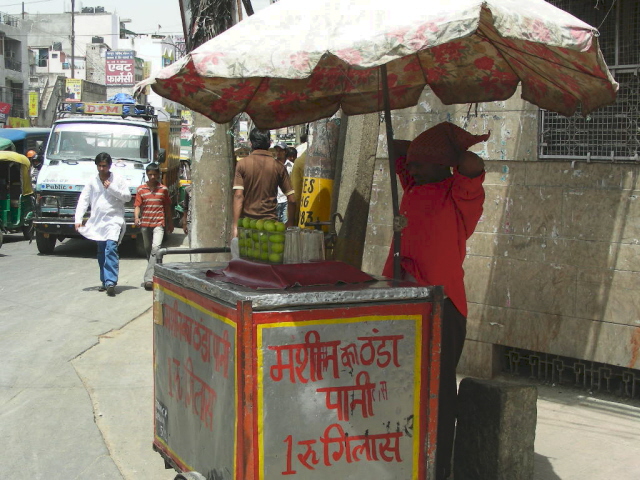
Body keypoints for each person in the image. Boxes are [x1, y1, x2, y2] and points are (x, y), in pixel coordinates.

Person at [382, 122, 490, 480]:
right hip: (403, 300)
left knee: (438, 390)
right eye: (410, 166)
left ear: (441, 165)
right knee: (401, 383)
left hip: (442, 304)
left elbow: (473, 164)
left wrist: (447, 150)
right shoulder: (414, 185)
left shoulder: (458, 194)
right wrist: (423, 152)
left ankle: (438, 467)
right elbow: (396, 146)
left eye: (418, 164)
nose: (409, 169)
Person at [75, 152, 132, 296]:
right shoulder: (92, 181)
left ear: (109, 166)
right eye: (99, 166)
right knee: (101, 252)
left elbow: (127, 197)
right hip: (98, 222)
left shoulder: (117, 179)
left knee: (111, 248)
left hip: (114, 220)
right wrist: (78, 219)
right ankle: (105, 281)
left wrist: (111, 188)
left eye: (104, 166)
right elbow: (84, 200)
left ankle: (111, 281)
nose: (102, 169)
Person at [232, 129, 295, 238]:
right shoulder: (278, 167)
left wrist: (235, 226)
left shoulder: (242, 164)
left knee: (246, 255)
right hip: (270, 227)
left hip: (247, 226)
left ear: (251, 144)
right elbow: (292, 199)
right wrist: (290, 223)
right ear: (269, 143)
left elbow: (238, 196)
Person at [134, 163, 174, 291]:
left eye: (154, 174)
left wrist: (170, 222)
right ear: (147, 174)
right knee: (148, 249)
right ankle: (153, 270)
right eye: (150, 174)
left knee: (155, 248)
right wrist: (136, 217)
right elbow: (137, 206)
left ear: (158, 175)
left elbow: (167, 206)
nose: (152, 177)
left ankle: (148, 279)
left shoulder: (163, 189)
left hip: (159, 223)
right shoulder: (141, 189)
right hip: (145, 224)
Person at [276, 146, 296, 223]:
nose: (278, 153)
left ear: (285, 152)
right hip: (276, 200)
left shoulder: (292, 166)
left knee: (286, 224)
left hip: (286, 200)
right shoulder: (274, 165)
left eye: (281, 150)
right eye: (277, 150)